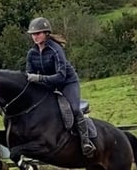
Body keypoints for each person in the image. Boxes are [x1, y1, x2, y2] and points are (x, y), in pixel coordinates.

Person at [25, 16, 96, 157]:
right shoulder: (32, 53)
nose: (35, 37)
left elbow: (60, 76)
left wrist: (39, 78)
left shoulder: (56, 50)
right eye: (33, 34)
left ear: (46, 33)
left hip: (67, 83)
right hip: (48, 85)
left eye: (38, 33)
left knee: (74, 108)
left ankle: (86, 141)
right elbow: (28, 74)